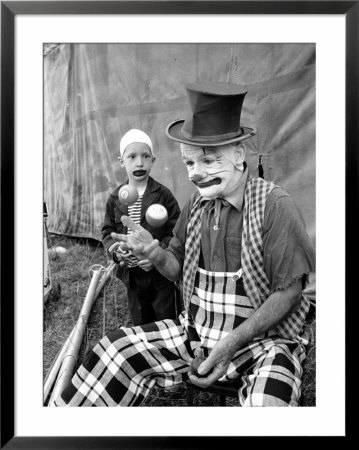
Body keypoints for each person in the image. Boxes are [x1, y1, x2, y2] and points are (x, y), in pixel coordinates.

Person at [55, 82, 315, 407]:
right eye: (190, 164)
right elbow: (175, 266)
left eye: (208, 161)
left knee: (269, 403)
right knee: (113, 352)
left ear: (237, 155)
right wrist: (155, 253)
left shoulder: (274, 204)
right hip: (195, 334)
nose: (197, 174)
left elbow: (289, 293)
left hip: (264, 342)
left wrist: (233, 340)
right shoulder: (196, 205)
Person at [101, 128, 181, 325]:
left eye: (146, 156)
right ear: (122, 161)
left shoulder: (163, 195)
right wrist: (117, 252)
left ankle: (169, 350)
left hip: (159, 274)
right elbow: (107, 232)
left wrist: (158, 254)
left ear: (153, 160)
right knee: (140, 318)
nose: (139, 163)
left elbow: (175, 231)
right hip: (132, 274)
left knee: (166, 317)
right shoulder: (115, 198)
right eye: (132, 157)